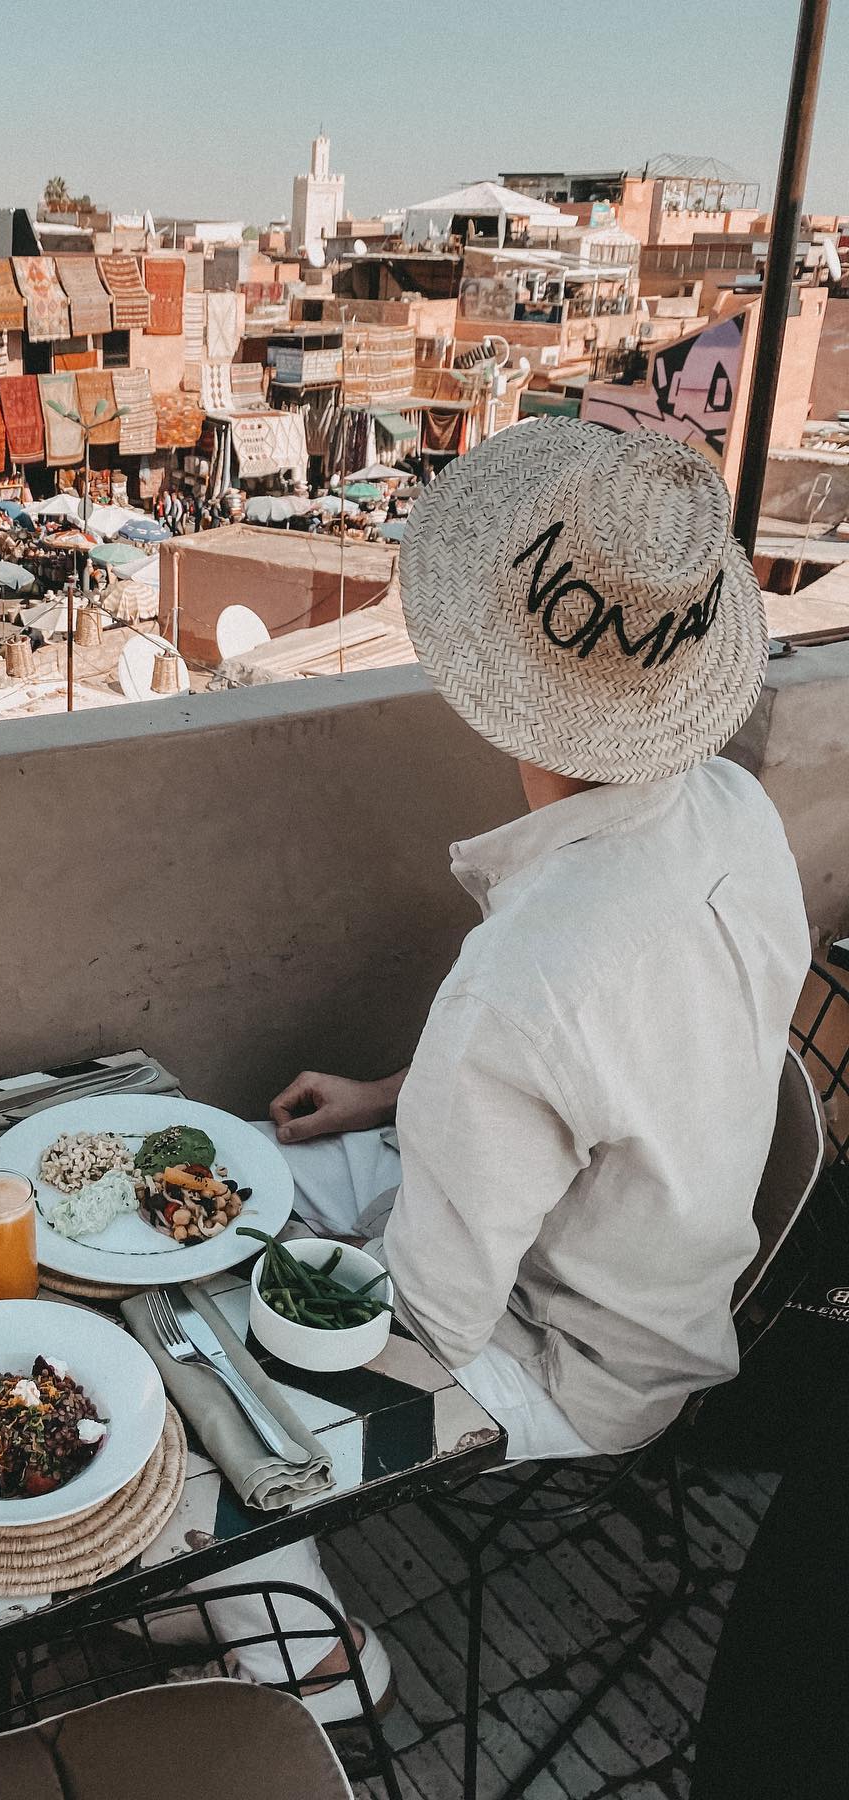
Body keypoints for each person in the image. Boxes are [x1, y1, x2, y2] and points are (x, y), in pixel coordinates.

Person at [174, 419, 810, 1723]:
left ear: (495, 675)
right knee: (237, 1168)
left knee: (180, 1358)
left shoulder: (522, 983)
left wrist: (220, 1309)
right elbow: (600, 1070)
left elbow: (429, 1317)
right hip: (671, 1295)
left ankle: (317, 1663)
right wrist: (393, 1098)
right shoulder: (737, 814)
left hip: (565, 1371)